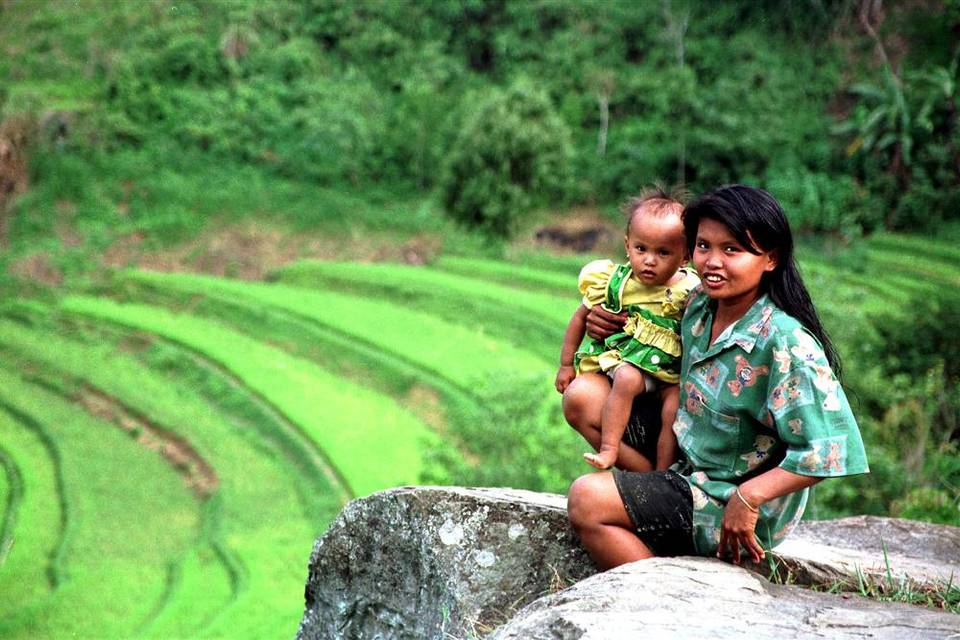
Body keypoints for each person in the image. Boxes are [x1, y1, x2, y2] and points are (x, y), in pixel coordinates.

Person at [565, 184, 869, 568]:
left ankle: (659, 600)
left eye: (732, 250)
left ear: (770, 258)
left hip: (729, 498)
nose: (711, 261)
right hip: (684, 459)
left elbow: (831, 450)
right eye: (704, 246)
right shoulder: (698, 306)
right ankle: (649, 491)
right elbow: (643, 316)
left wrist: (750, 497)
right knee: (584, 395)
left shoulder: (785, 343)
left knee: (586, 500)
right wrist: (602, 322)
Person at [555, 187, 700, 472]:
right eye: (641, 248)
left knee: (674, 407)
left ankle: (663, 474)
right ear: (627, 245)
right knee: (626, 377)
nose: (649, 260)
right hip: (630, 363)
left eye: (663, 252)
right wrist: (564, 364)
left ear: (684, 256)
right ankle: (610, 449)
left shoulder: (692, 289)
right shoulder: (616, 282)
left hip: (670, 374)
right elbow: (579, 319)